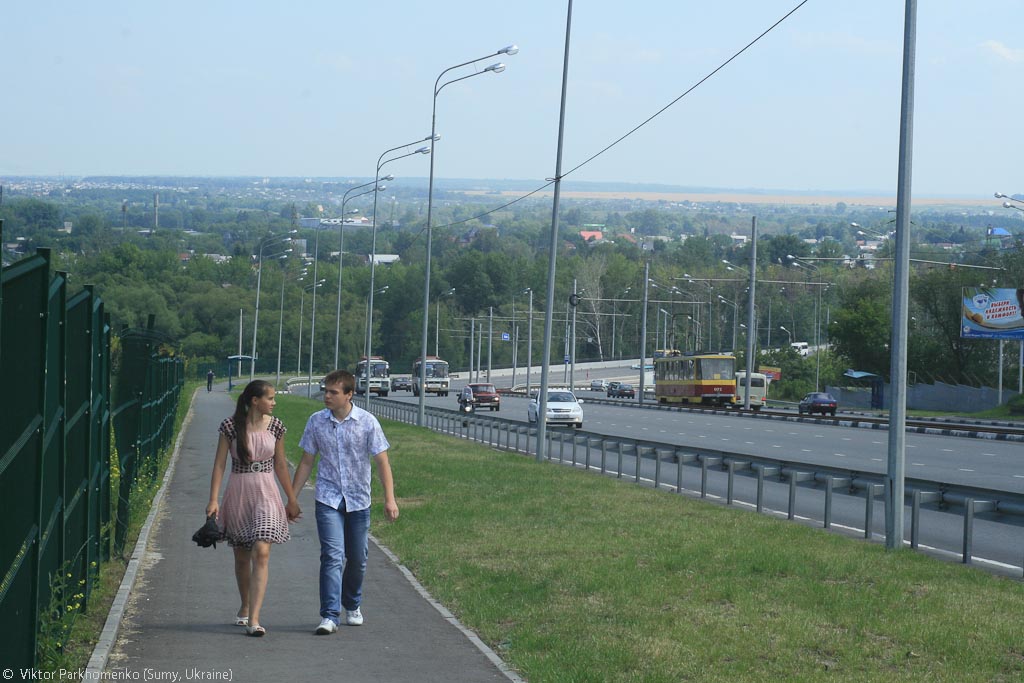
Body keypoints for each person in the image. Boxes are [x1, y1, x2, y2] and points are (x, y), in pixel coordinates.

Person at [292, 369, 398, 636]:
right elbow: (306, 462)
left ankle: (352, 603)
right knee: (332, 555)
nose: (327, 396)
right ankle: (329, 615)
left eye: (333, 392)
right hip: (328, 498)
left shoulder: (367, 422)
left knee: (358, 558)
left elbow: (382, 462)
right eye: (325, 391)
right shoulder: (316, 422)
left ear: (349, 395)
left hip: (359, 500)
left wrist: (390, 499)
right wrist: (292, 498)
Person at [206, 380, 300, 637]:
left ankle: (254, 619)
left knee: (262, 551)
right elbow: (219, 465)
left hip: (267, 492)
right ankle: (245, 605)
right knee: (241, 556)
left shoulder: (277, 426)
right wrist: (213, 499)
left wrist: (291, 499)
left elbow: (281, 465)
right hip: (239, 491)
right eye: (270, 398)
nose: (274, 402)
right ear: (255, 401)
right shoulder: (230, 426)